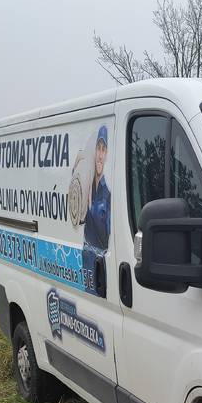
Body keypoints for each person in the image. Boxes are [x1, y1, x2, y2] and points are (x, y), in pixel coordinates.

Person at [82, 126, 111, 295]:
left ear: (106, 154)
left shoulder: (107, 195)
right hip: (85, 269)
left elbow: (107, 239)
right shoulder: (86, 187)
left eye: (103, 149)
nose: (100, 155)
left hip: (102, 276)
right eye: (98, 149)